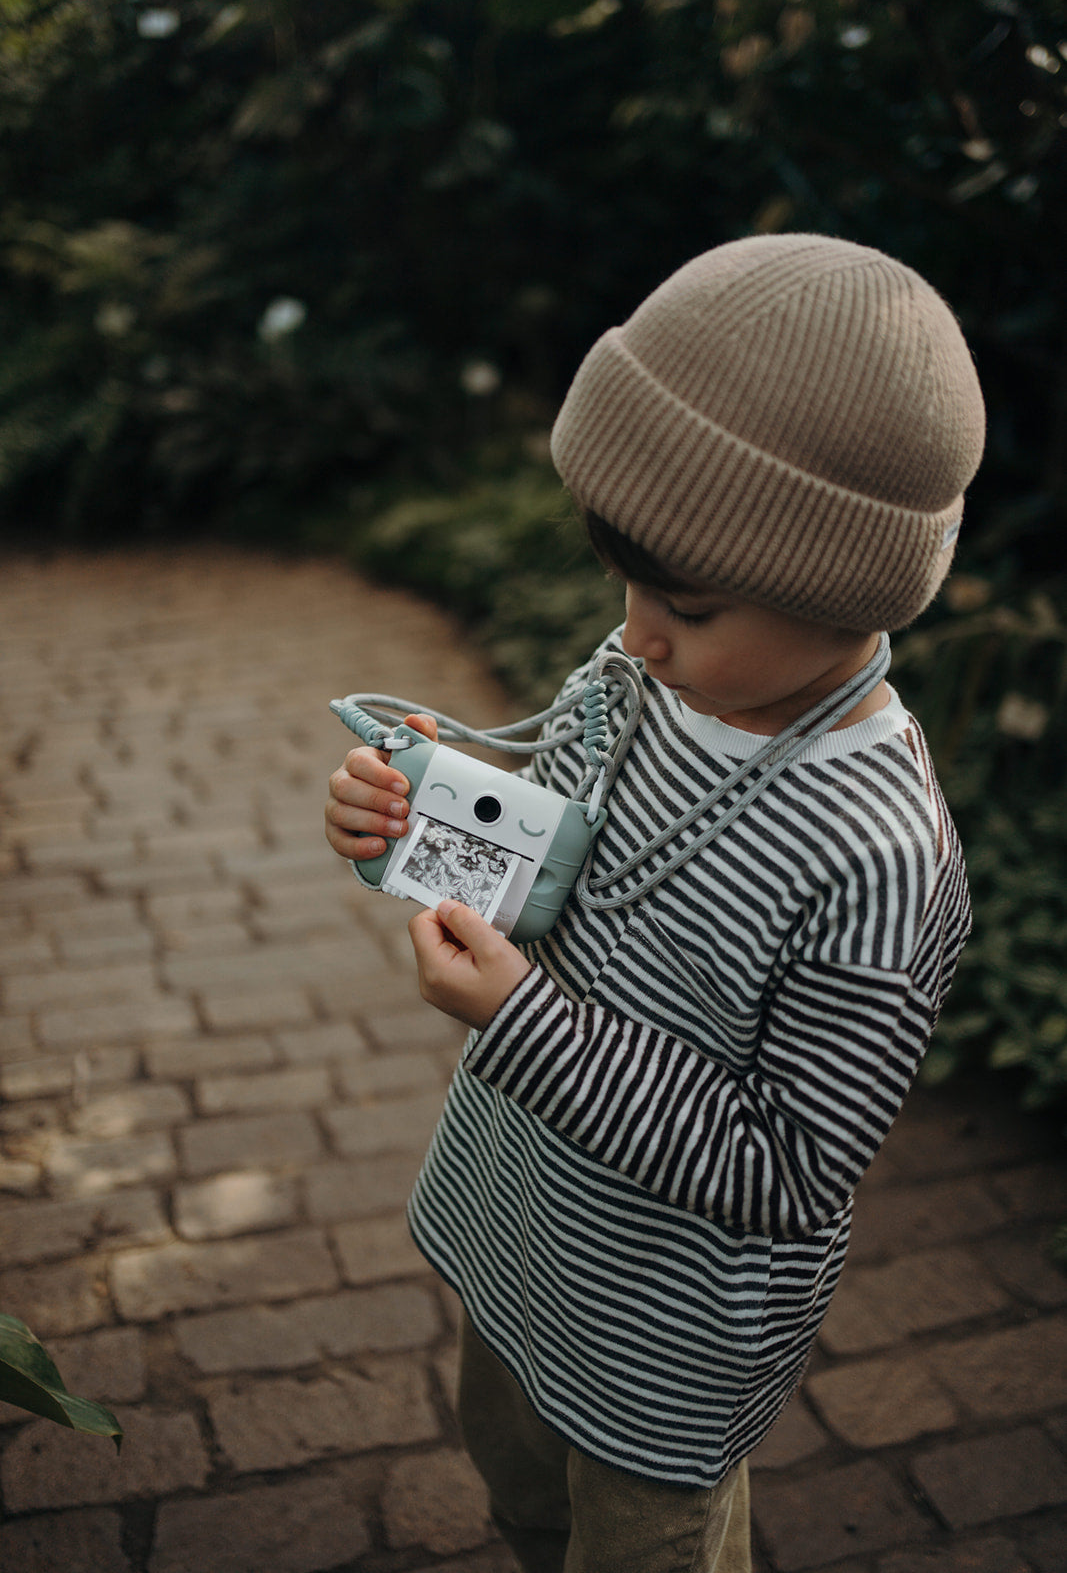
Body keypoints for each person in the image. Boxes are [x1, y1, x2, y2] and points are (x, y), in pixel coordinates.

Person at [324, 233, 986, 1573]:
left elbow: (790, 1168)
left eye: (681, 601)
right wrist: (409, 825)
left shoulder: (877, 860)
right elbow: (549, 863)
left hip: (660, 1339)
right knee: (520, 1502)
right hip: (519, 1231)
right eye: (624, 584)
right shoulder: (648, 679)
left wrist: (522, 1025)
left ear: (845, 583)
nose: (633, 631)